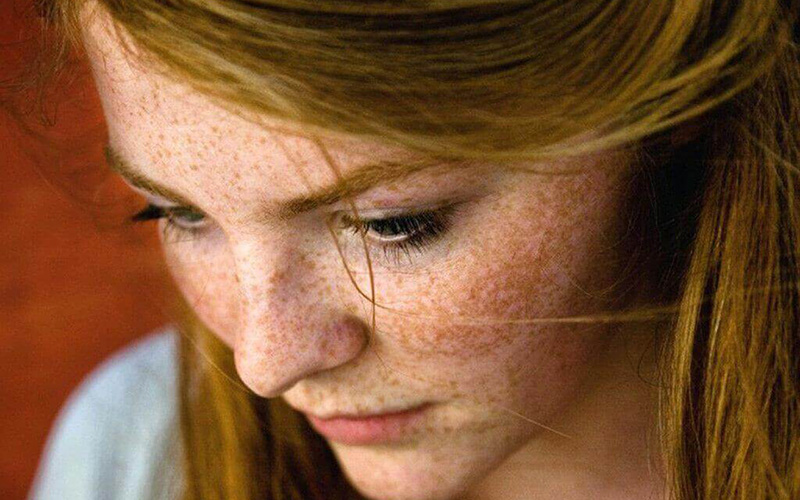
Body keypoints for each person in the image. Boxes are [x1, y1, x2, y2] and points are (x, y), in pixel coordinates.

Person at [22, 0, 800, 499]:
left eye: (391, 225)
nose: (264, 365)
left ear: (675, 100)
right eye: (180, 214)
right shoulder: (142, 449)